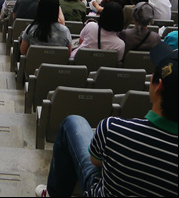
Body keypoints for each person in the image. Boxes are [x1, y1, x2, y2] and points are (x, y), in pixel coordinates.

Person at [35, 42, 178, 198]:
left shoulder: (113, 129)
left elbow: (96, 161)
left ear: (158, 86)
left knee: (73, 122)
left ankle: (53, 193)